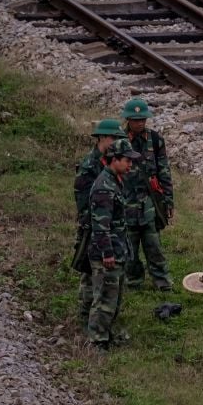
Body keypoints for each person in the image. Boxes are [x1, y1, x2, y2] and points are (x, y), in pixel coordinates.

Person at [72, 119, 127, 332]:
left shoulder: (108, 162)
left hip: (104, 227)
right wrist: (95, 228)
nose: (115, 143)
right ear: (102, 138)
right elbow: (83, 200)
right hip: (93, 228)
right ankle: (87, 319)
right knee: (90, 274)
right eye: (113, 138)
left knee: (95, 277)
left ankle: (93, 320)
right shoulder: (90, 165)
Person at [87, 140, 140, 349]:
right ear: (114, 160)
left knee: (113, 298)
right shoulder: (104, 187)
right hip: (107, 254)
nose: (130, 165)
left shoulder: (115, 181)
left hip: (117, 250)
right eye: (127, 161)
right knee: (103, 301)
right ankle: (97, 341)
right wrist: (107, 253)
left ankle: (107, 335)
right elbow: (101, 226)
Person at [120, 97, 173, 291]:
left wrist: (168, 201)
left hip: (149, 203)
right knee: (129, 247)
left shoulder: (156, 140)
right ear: (128, 120)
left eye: (143, 119)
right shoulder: (119, 141)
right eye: (135, 119)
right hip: (125, 202)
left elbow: (164, 171)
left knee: (154, 246)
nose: (140, 123)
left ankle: (162, 282)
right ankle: (133, 282)